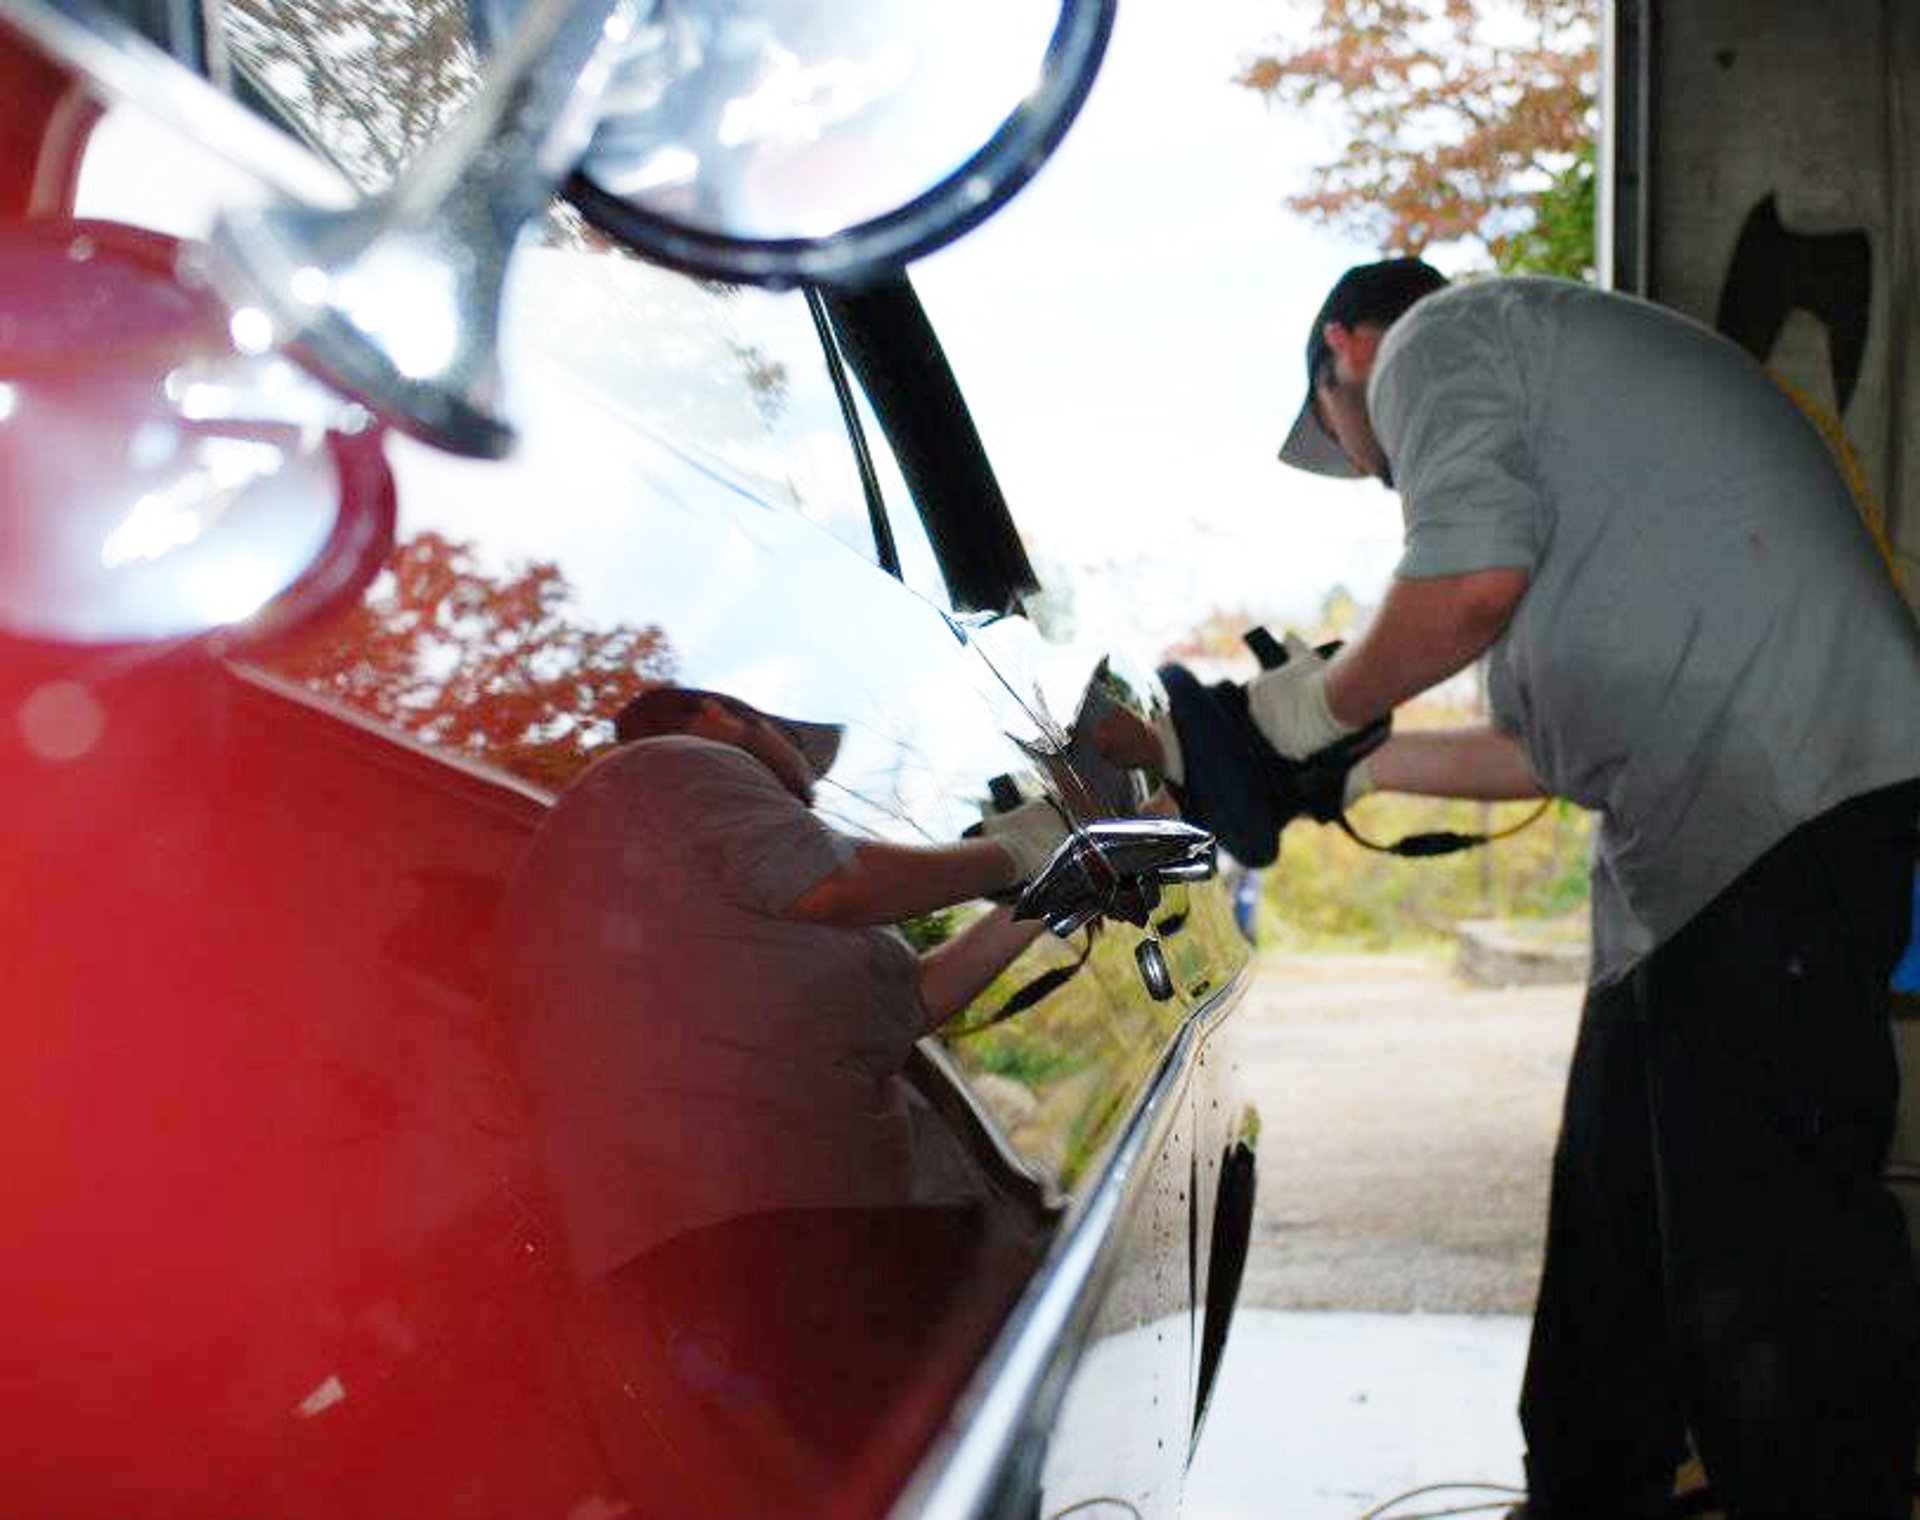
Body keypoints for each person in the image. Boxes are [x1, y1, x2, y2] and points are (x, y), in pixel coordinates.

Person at [1254, 260, 1920, 1519]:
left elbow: (1464, 589)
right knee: (1612, 1262)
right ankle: (1582, 1496)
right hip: (1700, 858)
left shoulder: (1439, 337)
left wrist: (1300, 707)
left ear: (1343, 347)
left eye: (1347, 443)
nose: (1372, 468)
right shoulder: (1565, 435)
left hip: (1778, 804)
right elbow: (1535, 757)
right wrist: (1348, 760)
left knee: (1768, 1271)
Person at [494, 683, 1070, 1516]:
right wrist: (1016, 852)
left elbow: (908, 1005)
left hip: (775, 1236)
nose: (809, 776)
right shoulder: (674, 763)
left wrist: (1049, 890)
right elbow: (836, 885)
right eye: (792, 741)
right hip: (776, 1241)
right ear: (722, 716)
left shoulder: (689, 893)